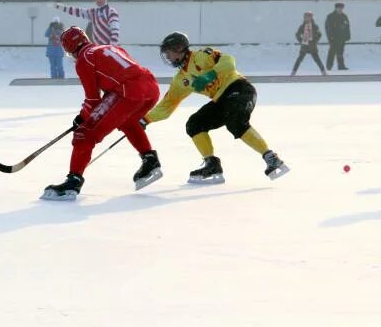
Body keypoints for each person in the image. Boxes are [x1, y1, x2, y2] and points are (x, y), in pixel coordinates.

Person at [143, 32, 289, 184]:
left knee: (235, 122)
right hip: (220, 100)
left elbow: (229, 61)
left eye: (168, 52)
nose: (167, 57)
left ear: (179, 48)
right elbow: (168, 104)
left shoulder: (201, 55)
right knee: (194, 124)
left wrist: (209, 75)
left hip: (239, 88)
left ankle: (271, 158)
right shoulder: (181, 79)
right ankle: (211, 164)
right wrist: (145, 119)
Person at [41, 26, 162, 200]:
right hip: (151, 87)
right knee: (127, 122)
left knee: (85, 133)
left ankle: (72, 183)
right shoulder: (110, 47)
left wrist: (82, 118)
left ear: (71, 49)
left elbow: (92, 100)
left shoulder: (84, 59)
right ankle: (150, 160)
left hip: (128, 92)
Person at [53, 0, 120, 45]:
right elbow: (77, 11)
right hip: (97, 47)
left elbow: (115, 31)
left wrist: (112, 47)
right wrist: (60, 7)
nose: (99, 0)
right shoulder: (93, 12)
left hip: (108, 47)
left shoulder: (111, 12)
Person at [291, 11, 326, 76]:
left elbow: (319, 34)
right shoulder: (302, 26)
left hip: (312, 47)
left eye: (308, 17)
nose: (307, 19)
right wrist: (301, 41)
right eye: (305, 17)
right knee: (299, 60)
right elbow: (297, 34)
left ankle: (323, 72)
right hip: (304, 46)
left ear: (311, 18)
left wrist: (315, 41)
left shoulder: (315, 26)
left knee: (317, 60)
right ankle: (293, 72)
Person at [324, 2, 350, 70]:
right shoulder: (331, 16)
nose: (340, 9)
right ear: (336, 8)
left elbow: (347, 26)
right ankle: (329, 66)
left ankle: (341, 66)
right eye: (339, 8)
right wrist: (330, 37)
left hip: (342, 38)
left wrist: (347, 36)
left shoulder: (344, 16)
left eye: (341, 8)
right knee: (332, 52)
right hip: (334, 38)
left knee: (340, 52)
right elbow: (328, 28)